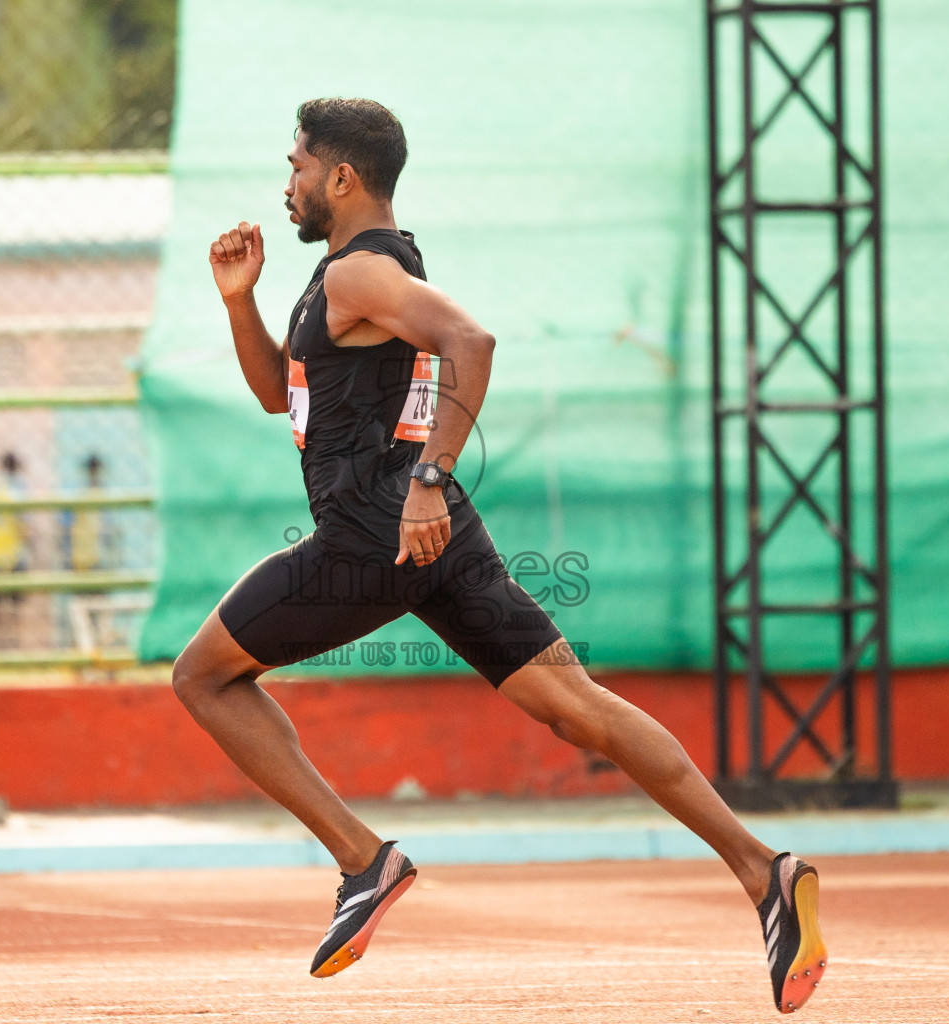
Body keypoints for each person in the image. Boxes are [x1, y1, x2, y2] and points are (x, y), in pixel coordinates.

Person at [171, 98, 826, 1013]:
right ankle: (766, 871)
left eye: (297, 168)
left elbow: (470, 341)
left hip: (372, 532)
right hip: (431, 539)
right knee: (579, 709)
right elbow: (282, 396)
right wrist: (240, 302)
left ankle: (365, 860)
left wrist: (430, 479)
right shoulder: (344, 279)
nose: (288, 185)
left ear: (342, 178)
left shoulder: (360, 273)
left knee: (202, 677)